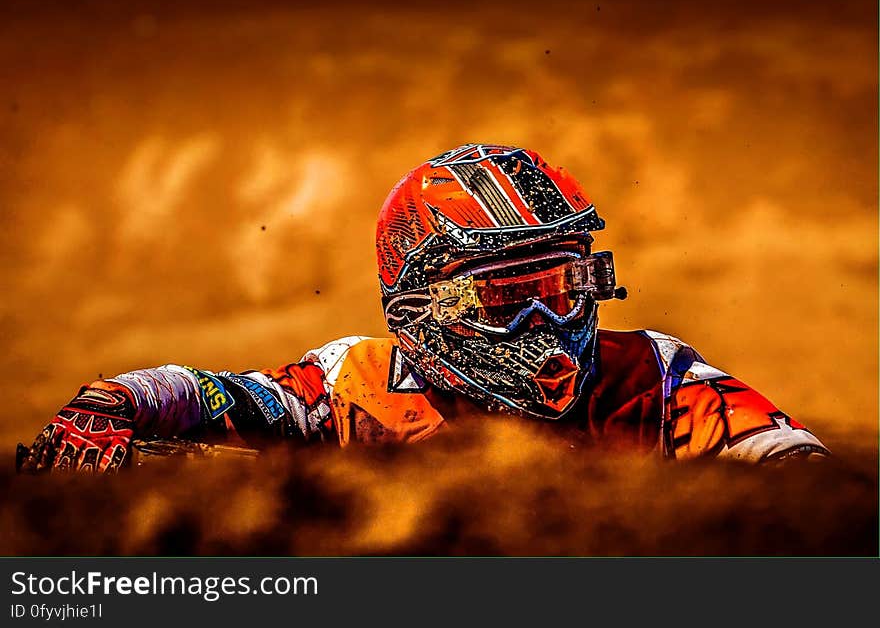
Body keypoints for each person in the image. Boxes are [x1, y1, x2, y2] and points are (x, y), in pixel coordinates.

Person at [17, 143, 830, 473]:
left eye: (565, 283)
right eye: (511, 295)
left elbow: (797, 476)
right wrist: (115, 402)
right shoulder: (357, 384)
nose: (546, 320)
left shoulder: (652, 374)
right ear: (422, 308)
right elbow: (216, 393)